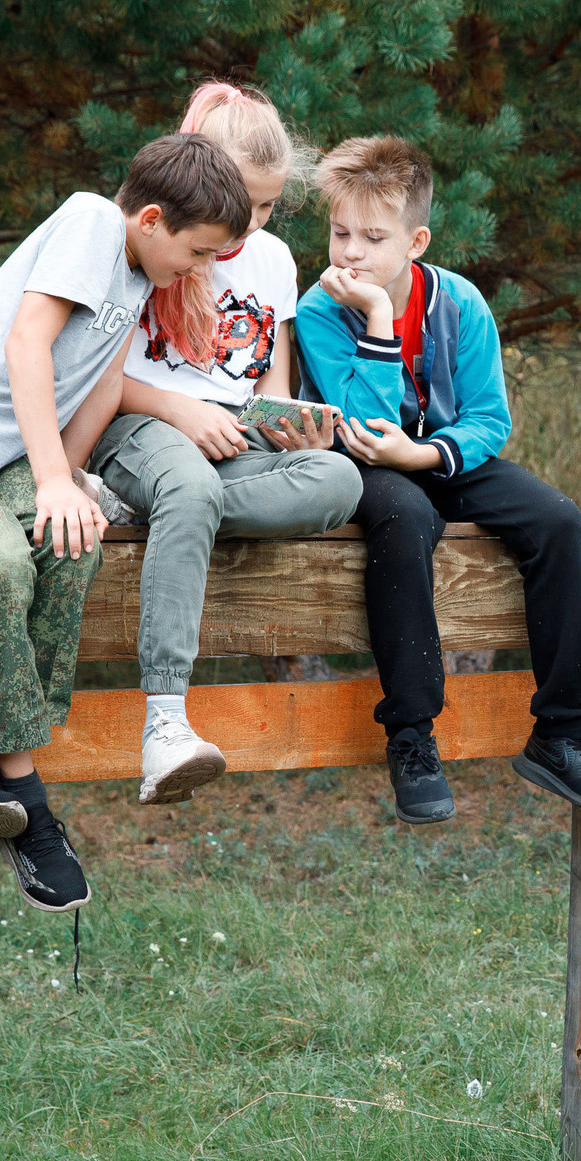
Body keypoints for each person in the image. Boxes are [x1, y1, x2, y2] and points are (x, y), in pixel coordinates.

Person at [0, 133, 251, 911]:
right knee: (2, 560)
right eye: (200, 251)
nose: (202, 269)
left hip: (10, 460)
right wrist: (47, 478)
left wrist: (69, 482)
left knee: (72, 545)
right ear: (149, 217)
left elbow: (102, 382)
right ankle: (25, 802)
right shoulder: (89, 221)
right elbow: (26, 343)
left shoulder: (141, 274)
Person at [296, 135, 581, 825]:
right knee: (407, 518)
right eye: (339, 233)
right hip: (365, 466)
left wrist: (425, 456)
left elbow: (489, 418)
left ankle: (561, 733)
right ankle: (413, 734)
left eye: (372, 236)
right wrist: (380, 320)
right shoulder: (318, 311)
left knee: (557, 519)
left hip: (440, 458)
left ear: (416, 240)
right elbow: (364, 423)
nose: (350, 252)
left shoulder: (462, 304)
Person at [89, 82, 362, 801]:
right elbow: (96, 378)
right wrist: (182, 412)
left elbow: (265, 381)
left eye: (269, 205)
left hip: (232, 437)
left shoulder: (272, 260)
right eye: (244, 197)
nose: (252, 219)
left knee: (341, 482)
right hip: (141, 422)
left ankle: (156, 509)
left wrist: (292, 425)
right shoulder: (152, 242)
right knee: (188, 482)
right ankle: (167, 720)